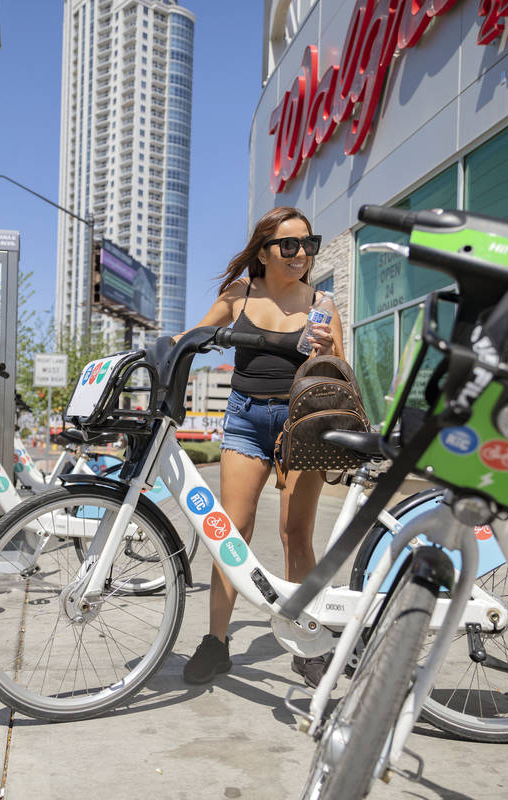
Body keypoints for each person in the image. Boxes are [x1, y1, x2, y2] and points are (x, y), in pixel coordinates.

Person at [181, 206, 344, 688]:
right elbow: (194, 336)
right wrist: (160, 349)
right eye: (289, 245)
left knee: (297, 534)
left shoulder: (323, 303)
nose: (300, 254)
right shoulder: (238, 294)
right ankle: (216, 642)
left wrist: (327, 349)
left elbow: (338, 371)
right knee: (232, 534)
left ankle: (306, 641)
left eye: (308, 245)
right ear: (265, 251)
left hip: (301, 423)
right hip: (245, 419)